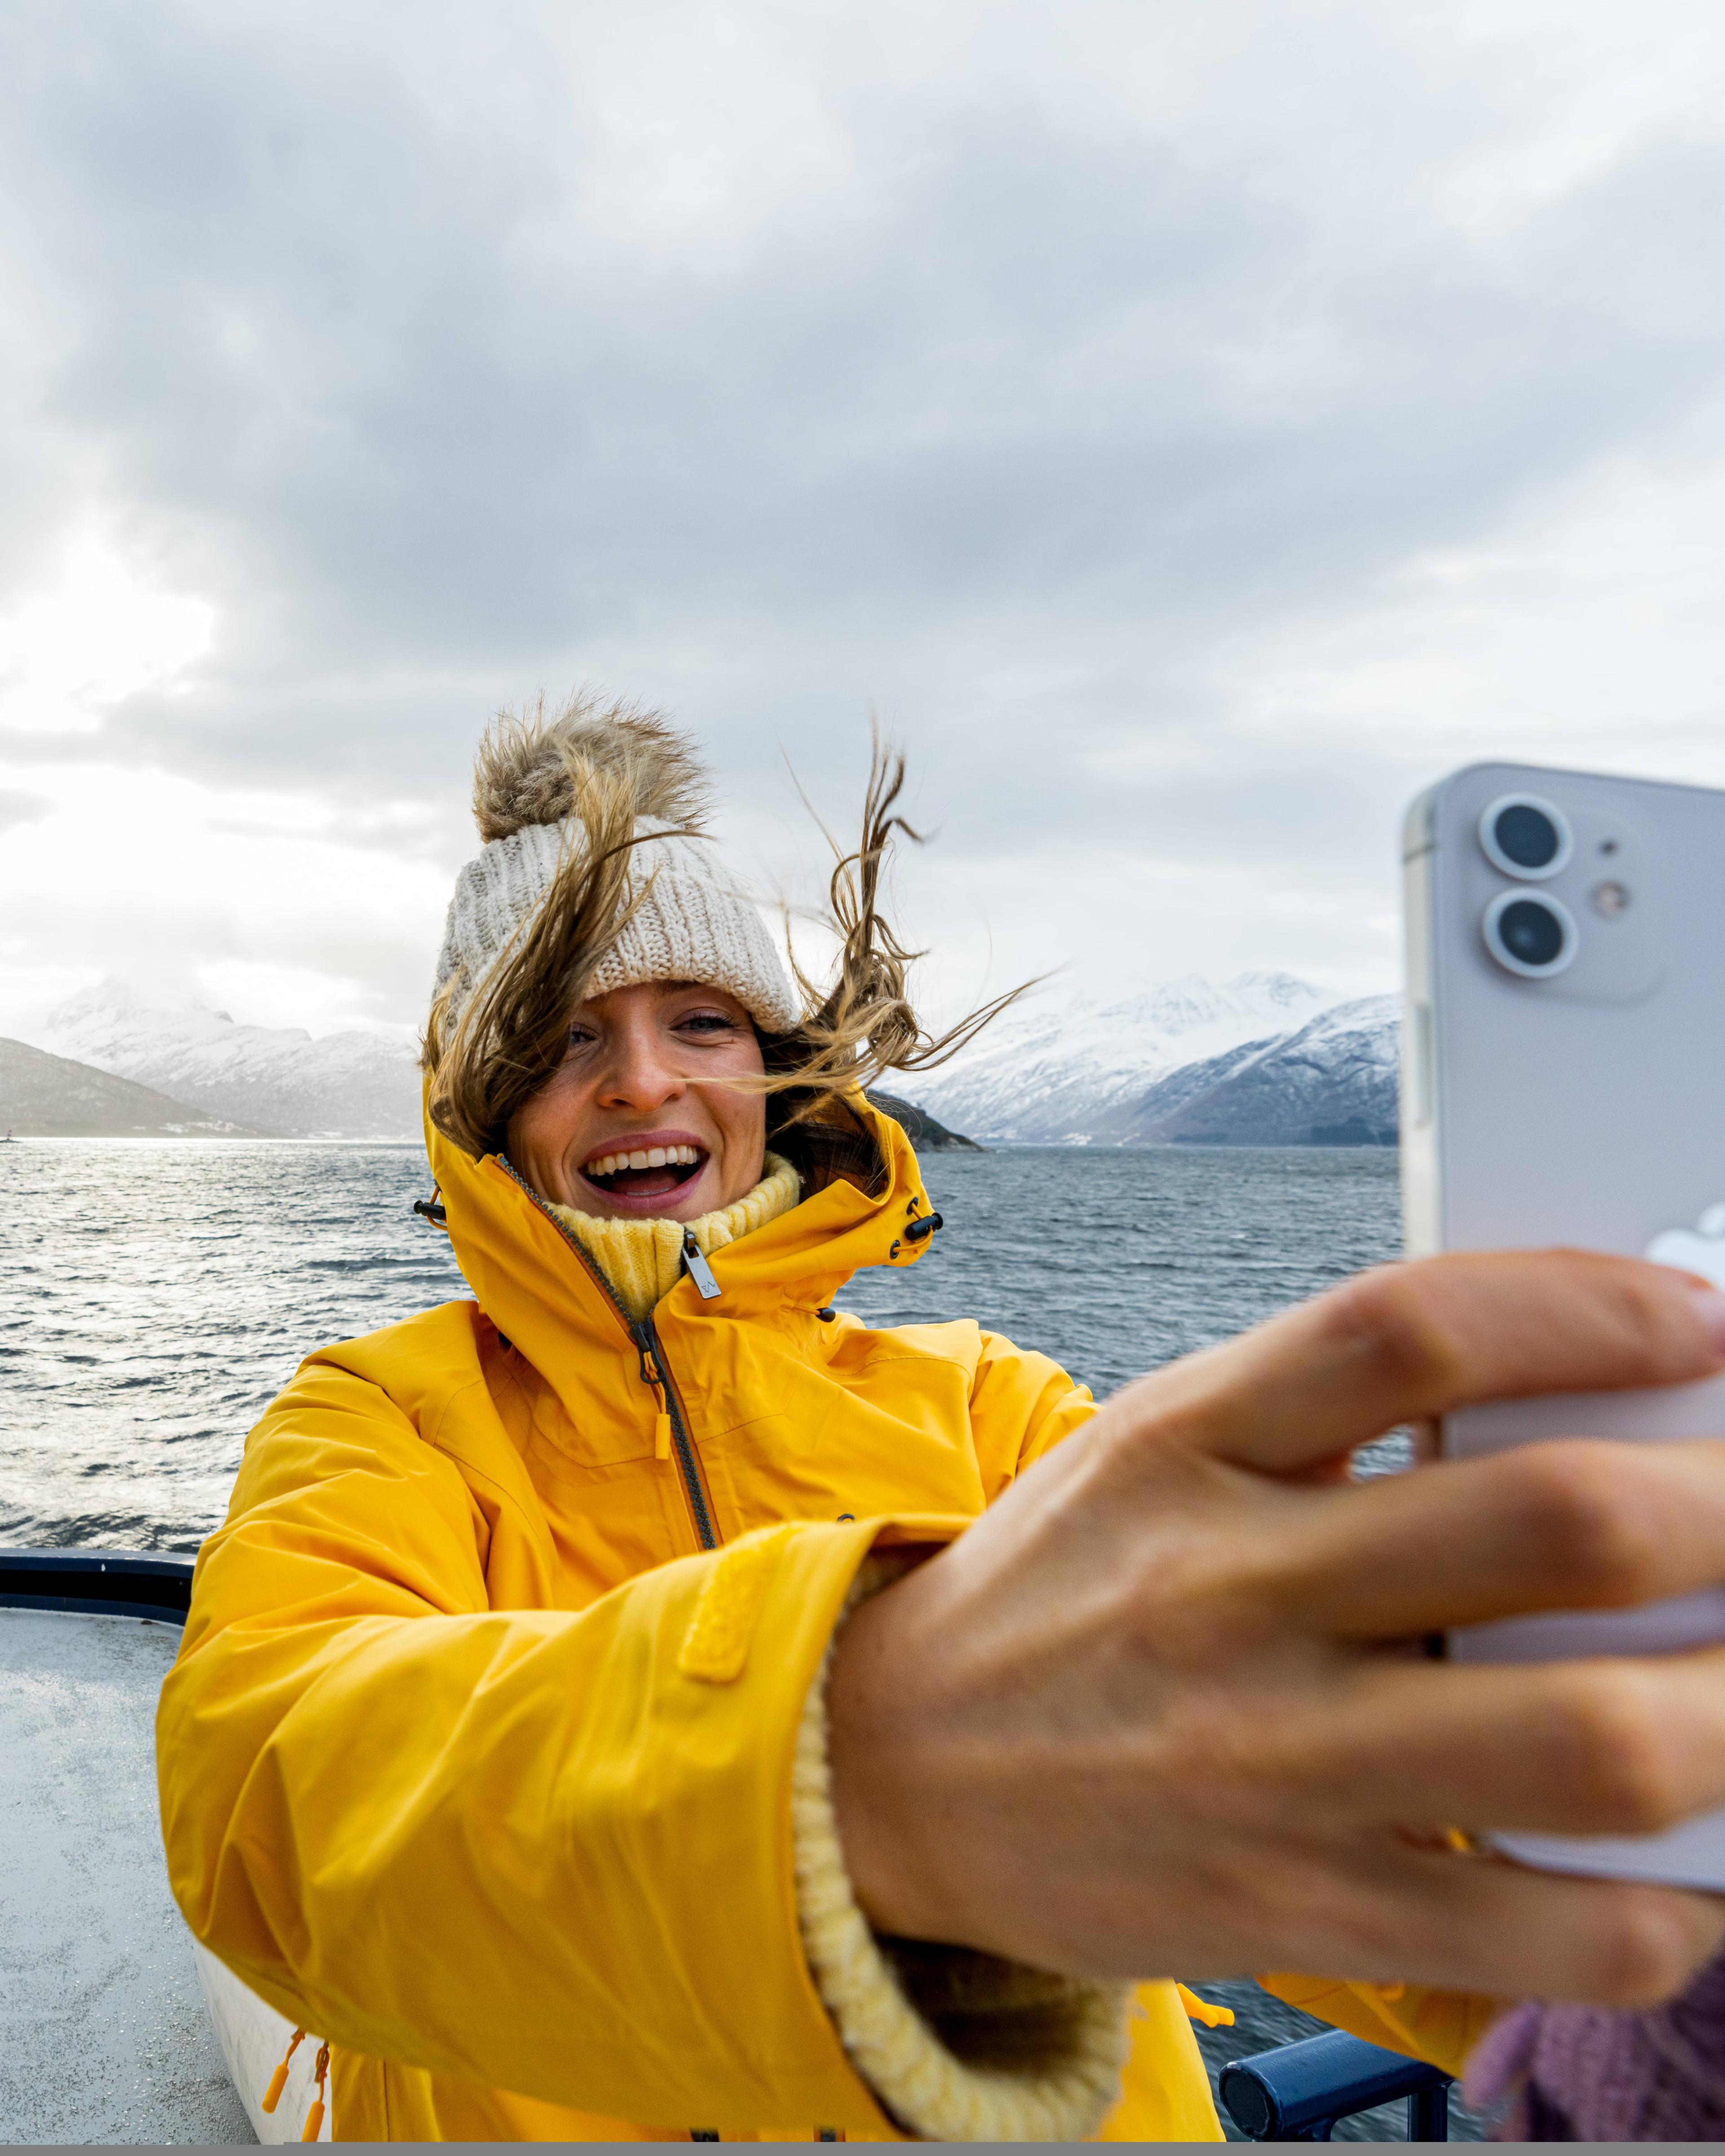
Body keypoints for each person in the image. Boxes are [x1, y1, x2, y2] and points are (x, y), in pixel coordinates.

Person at [159, 696, 1725, 2142]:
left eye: (702, 1024)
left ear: (774, 1071)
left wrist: (1618, 1976)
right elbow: (280, 1795)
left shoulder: (988, 1404)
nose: (643, 1082)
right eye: (568, 1038)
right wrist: (859, 1775)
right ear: (487, 1106)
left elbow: (1301, 1767)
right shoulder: (381, 1420)